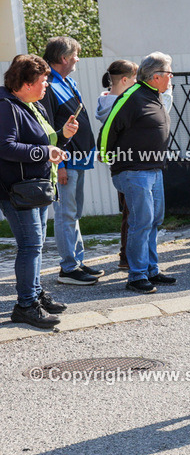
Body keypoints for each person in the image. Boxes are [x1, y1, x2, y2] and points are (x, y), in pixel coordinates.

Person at [1, 55, 78, 328]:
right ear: (25, 83)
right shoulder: (6, 106)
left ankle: (34, 294)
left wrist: (63, 136)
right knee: (30, 246)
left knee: (35, 246)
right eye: (43, 81)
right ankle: (25, 306)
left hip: (38, 188)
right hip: (18, 190)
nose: (46, 85)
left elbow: (47, 141)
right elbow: (5, 147)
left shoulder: (31, 105)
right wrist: (46, 151)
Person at [97, 52, 177, 294]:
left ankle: (151, 270)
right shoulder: (132, 96)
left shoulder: (154, 96)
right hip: (133, 170)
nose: (171, 78)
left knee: (153, 221)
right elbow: (108, 128)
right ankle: (136, 276)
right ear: (155, 77)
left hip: (153, 169)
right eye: (168, 74)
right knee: (141, 222)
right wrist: (107, 155)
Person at [38, 37, 102, 285]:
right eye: (75, 54)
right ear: (64, 58)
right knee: (66, 214)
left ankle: (77, 260)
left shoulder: (67, 81)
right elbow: (50, 127)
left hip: (79, 159)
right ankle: (68, 268)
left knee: (73, 213)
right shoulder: (50, 85)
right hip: (66, 162)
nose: (77, 58)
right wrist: (60, 166)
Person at [97, 60, 138, 269]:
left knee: (128, 211)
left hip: (120, 162)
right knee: (131, 212)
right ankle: (127, 256)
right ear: (124, 80)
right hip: (128, 163)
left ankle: (127, 255)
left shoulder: (105, 101)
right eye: (134, 79)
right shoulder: (121, 103)